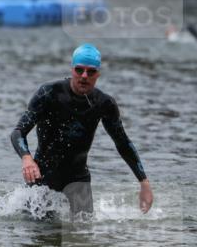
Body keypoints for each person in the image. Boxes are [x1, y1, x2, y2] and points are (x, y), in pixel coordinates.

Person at [10, 44, 153, 219]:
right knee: (35, 233)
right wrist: (26, 158)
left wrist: (144, 183)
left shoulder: (104, 104)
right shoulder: (49, 93)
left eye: (90, 72)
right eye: (79, 70)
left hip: (78, 179)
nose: (84, 76)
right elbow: (18, 132)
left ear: (98, 74)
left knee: (83, 237)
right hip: (43, 177)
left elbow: (122, 143)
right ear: (72, 69)